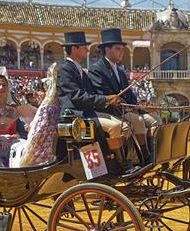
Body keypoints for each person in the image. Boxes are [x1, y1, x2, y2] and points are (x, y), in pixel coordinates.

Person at [55, 30, 135, 165]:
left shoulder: (80, 70)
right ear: (74, 49)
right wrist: (105, 99)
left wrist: (108, 99)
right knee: (117, 127)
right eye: (84, 47)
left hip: (87, 112)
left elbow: (91, 94)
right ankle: (119, 163)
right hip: (75, 115)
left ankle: (124, 160)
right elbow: (76, 96)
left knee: (123, 125)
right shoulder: (65, 69)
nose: (87, 50)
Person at [89, 28, 159, 165]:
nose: (122, 52)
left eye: (122, 49)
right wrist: (126, 106)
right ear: (107, 49)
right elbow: (104, 93)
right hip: (111, 111)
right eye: (118, 48)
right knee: (137, 120)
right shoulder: (96, 69)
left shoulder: (120, 71)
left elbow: (129, 94)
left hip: (127, 110)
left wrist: (139, 105)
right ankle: (141, 157)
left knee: (155, 119)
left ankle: (155, 151)